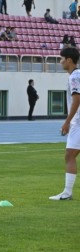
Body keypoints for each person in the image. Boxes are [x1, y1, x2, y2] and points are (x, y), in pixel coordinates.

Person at [50, 47, 80, 200]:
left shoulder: (74, 77)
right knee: (70, 155)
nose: (60, 62)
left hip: (79, 122)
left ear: (69, 60)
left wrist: (67, 122)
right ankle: (67, 192)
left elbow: (77, 99)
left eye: (62, 59)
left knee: (69, 155)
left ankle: (67, 193)